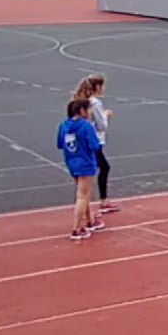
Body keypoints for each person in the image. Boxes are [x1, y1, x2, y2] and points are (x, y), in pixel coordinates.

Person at [57, 98, 103, 240]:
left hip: (71, 161)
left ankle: (89, 220)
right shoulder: (85, 126)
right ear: (82, 111)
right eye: (88, 110)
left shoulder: (63, 125)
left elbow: (60, 144)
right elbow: (95, 146)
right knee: (82, 195)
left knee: (85, 193)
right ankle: (76, 228)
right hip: (86, 163)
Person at [75, 74, 120, 215]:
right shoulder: (95, 103)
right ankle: (101, 202)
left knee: (102, 167)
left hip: (84, 139)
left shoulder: (82, 101)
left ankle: (100, 201)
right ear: (97, 87)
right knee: (101, 168)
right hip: (94, 140)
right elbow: (101, 125)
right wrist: (106, 115)